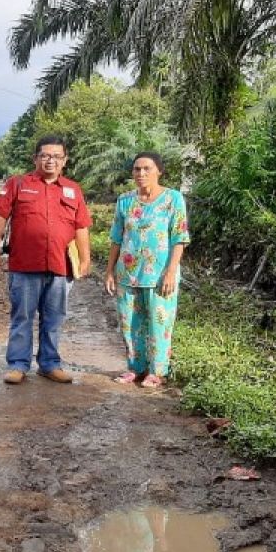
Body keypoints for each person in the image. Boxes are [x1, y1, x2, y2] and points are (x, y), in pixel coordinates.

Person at [0, 136, 92, 384]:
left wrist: (85, 258)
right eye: (45, 155)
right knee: (22, 316)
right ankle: (18, 365)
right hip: (24, 265)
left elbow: (81, 226)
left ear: (65, 160)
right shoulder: (18, 184)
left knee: (54, 318)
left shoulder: (73, 189)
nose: (50, 160)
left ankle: (49, 364)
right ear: (35, 158)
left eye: (56, 156)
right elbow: (0, 216)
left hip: (60, 265)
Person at [104, 152, 190, 388]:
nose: (141, 174)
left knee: (159, 323)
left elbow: (179, 237)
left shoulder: (173, 199)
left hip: (160, 276)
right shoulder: (125, 201)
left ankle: (157, 371)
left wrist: (171, 271)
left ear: (158, 171)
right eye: (137, 169)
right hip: (128, 274)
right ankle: (135, 368)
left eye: (147, 169)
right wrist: (110, 271)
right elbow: (116, 238)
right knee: (129, 322)